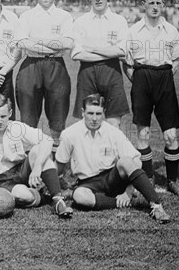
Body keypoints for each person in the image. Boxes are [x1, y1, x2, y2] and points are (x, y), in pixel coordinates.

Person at [55, 94, 170, 224]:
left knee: (126, 161)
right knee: (79, 196)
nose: (94, 118)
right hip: (87, 183)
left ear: (104, 113)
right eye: (90, 113)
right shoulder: (69, 134)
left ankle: (156, 207)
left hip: (112, 179)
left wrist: (128, 191)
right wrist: (52, 186)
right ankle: (124, 203)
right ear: (82, 113)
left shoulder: (112, 132)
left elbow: (136, 160)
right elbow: (59, 164)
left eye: (98, 114)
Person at [124, 0, 179, 197]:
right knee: (143, 133)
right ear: (143, 4)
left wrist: (162, 77)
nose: (155, 7)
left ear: (163, 4)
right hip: (141, 78)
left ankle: (172, 180)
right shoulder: (133, 31)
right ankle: (148, 177)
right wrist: (140, 80)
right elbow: (127, 64)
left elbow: (176, 61)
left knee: (170, 135)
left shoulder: (171, 30)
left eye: (158, 3)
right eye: (150, 3)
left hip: (164, 79)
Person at [15, 0, 74, 153]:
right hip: (31, 66)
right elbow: (23, 43)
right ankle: (28, 165)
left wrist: (37, 40)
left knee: (57, 119)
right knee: (28, 120)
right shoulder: (27, 16)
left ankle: (56, 167)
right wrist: (53, 42)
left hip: (56, 66)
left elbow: (68, 43)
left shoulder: (64, 16)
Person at [71, 0, 130, 128]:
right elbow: (77, 54)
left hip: (112, 71)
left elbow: (122, 51)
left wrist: (91, 48)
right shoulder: (80, 22)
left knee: (113, 122)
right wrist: (109, 52)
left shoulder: (119, 21)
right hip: (87, 72)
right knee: (86, 120)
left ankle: (111, 151)